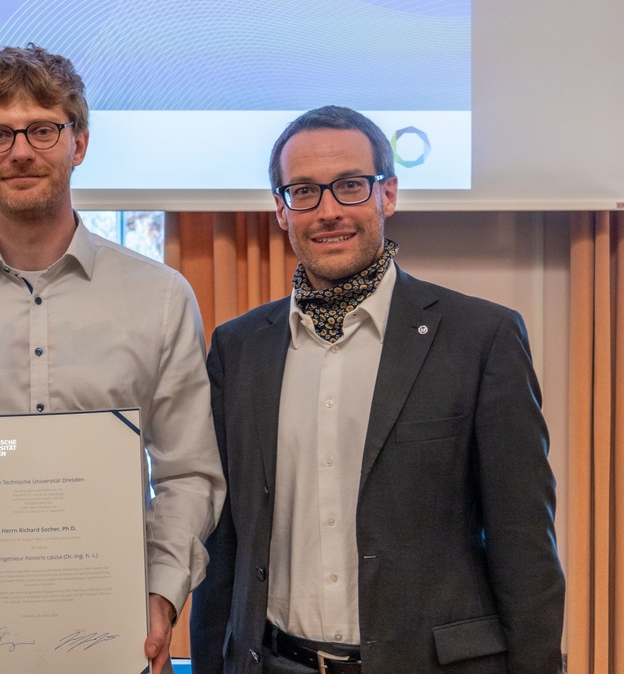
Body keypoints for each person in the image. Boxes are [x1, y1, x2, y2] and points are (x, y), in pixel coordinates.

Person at [0, 44, 225, 673]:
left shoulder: (161, 298)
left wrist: (161, 596)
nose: (21, 151)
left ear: (78, 142)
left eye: (42, 129)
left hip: (116, 644)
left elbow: (187, 473)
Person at [189, 106, 565, 673]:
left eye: (350, 186)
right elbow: (222, 547)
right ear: (281, 210)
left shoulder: (481, 338)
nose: (328, 211)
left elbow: (524, 545)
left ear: (387, 194)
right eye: (304, 192)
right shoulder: (238, 348)